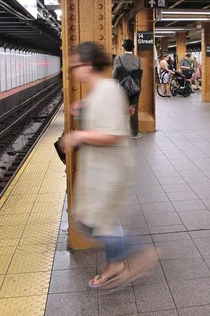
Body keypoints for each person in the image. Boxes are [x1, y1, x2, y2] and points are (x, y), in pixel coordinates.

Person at [59, 42, 153, 289]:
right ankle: (116, 264)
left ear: (88, 65)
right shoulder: (99, 91)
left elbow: (112, 134)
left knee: (92, 221)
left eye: (75, 66)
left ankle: (140, 252)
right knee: (102, 219)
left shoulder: (108, 91)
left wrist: (77, 136)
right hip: (100, 167)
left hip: (110, 169)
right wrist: (82, 110)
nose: (73, 71)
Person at [113, 39, 143, 139]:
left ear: (123, 47)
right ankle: (134, 132)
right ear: (133, 48)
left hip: (123, 87)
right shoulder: (139, 60)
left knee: (121, 108)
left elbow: (115, 74)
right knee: (133, 108)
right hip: (135, 88)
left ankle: (120, 131)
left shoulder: (119, 59)